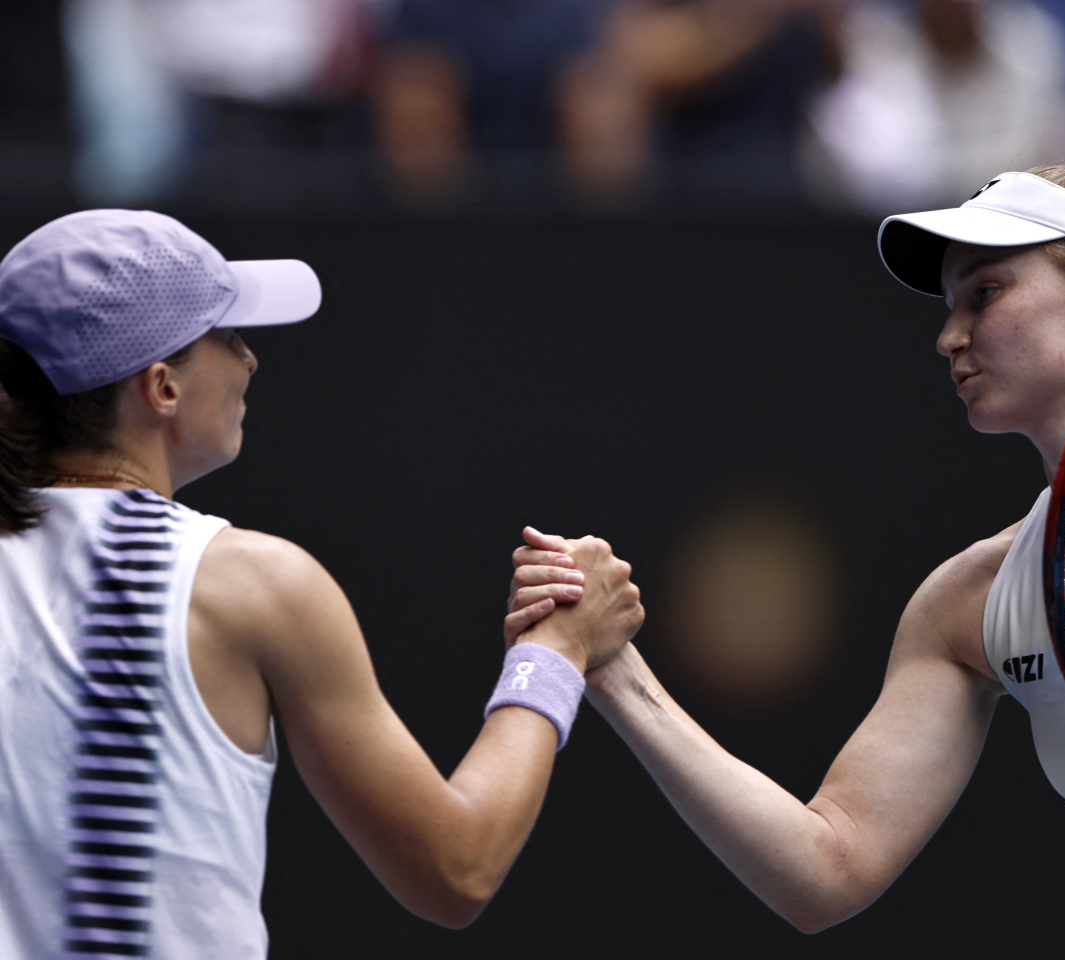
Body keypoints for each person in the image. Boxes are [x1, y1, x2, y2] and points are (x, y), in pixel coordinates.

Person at [507, 164, 1065, 956]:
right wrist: (612, 670)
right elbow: (825, 869)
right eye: (951, 307)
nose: (949, 336)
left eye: (985, 293)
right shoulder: (969, 603)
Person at [0, 209, 644, 957]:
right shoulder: (253, 585)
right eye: (230, 338)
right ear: (162, 387)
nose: (251, 363)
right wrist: (558, 650)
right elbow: (456, 870)